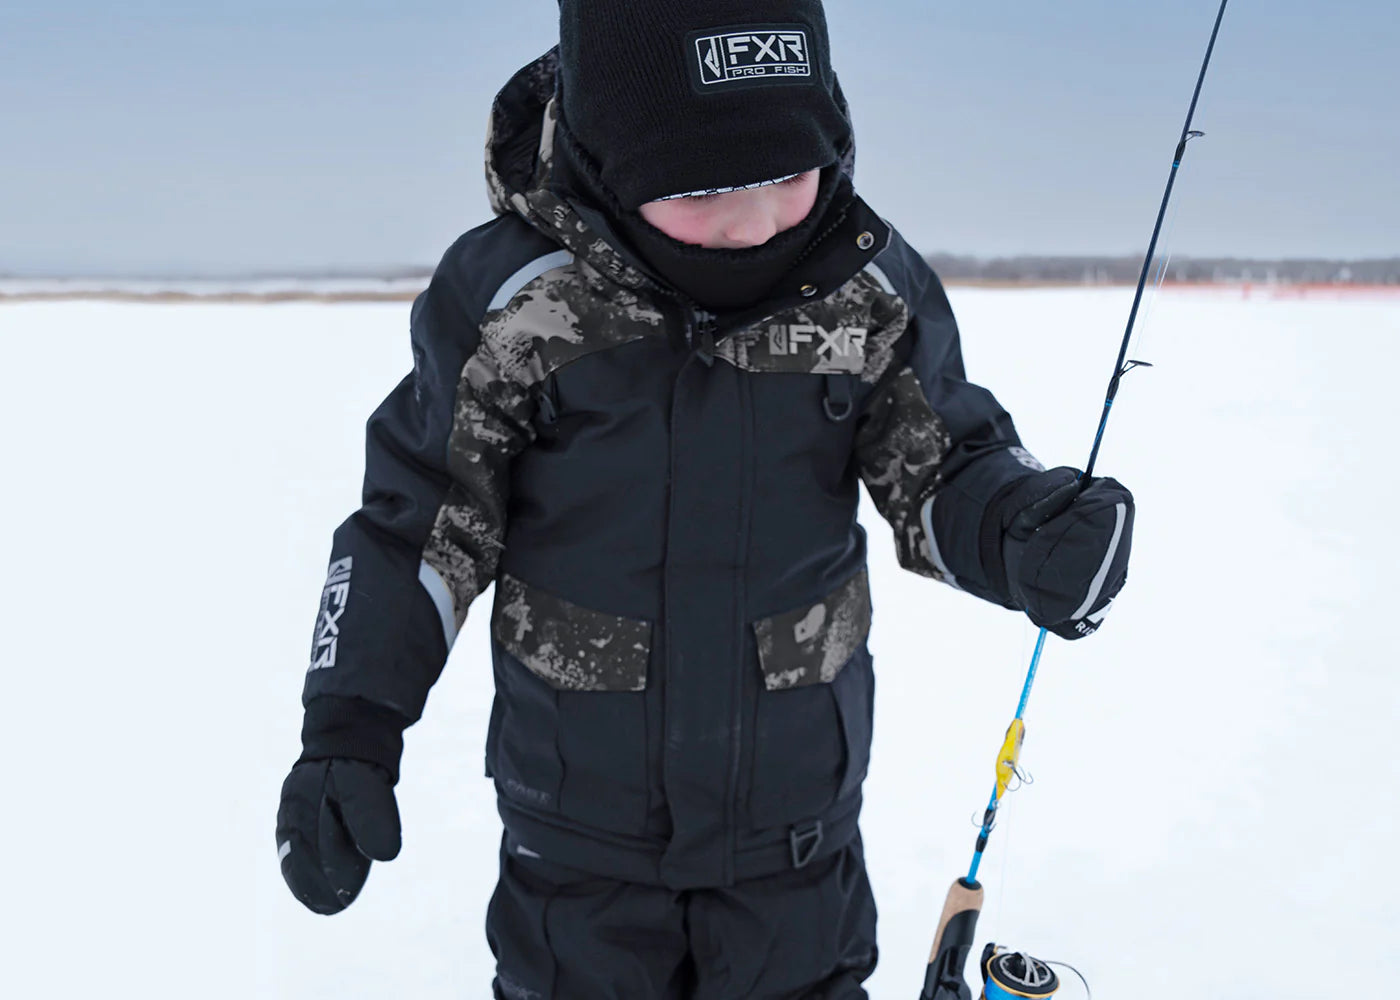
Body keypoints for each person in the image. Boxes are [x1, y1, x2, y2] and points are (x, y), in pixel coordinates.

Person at [275, 2, 1135, 997]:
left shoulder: (862, 288)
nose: (753, 220)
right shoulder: (518, 300)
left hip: (796, 829)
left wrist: (1020, 527)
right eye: (700, 188)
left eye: (787, 172)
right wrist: (349, 729)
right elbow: (420, 523)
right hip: (576, 841)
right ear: (609, 161)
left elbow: (942, 466)